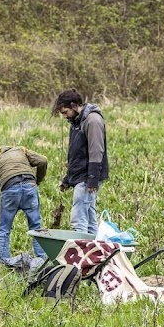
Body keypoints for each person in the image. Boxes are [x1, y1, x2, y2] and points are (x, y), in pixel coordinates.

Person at [54, 90, 109, 234]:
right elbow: (77, 154)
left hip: (87, 177)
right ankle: (95, 254)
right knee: (89, 220)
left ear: (73, 105)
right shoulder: (76, 122)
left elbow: (96, 151)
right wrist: (67, 179)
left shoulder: (92, 120)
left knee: (78, 219)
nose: (64, 116)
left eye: (65, 112)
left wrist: (92, 179)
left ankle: (80, 253)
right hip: (80, 176)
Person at [0, 146, 49, 265]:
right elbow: (43, 160)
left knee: (4, 230)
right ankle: (42, 259)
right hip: (30, 186)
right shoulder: (21, 151)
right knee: (36, 227)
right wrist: (37, 181)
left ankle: (4, 262)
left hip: (10, 191)